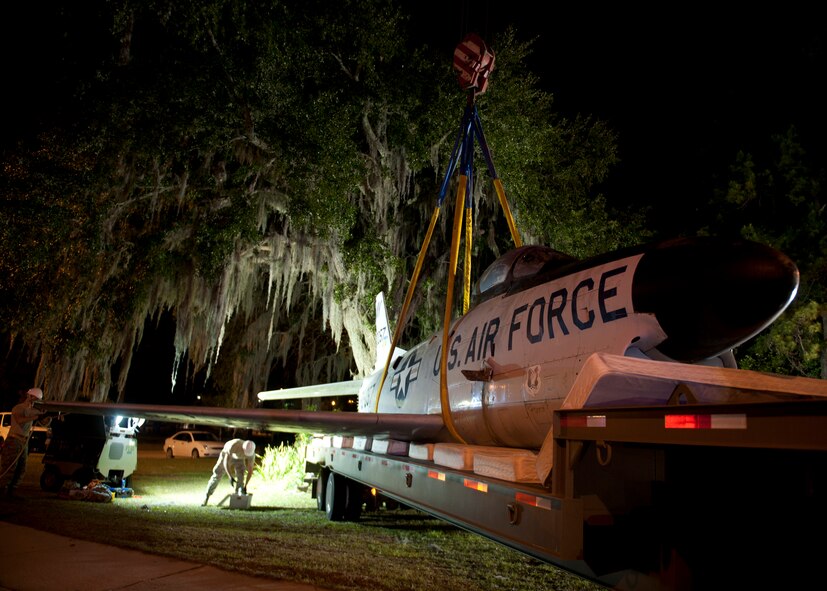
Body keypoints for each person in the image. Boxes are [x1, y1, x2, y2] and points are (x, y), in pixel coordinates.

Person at [0, 387, 50, 499]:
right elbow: (22, 418)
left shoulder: (31, 410)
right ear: (29, 396)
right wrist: (39, 415)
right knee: (10, 467)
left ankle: (12, 491)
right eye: (35, 398)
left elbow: (43, 422)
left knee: (21, 468)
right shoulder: (18, 408)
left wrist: (47, 416)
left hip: (23, 442)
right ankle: (2, 490)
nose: (35, 401)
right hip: (14, 440)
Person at [201, 438, 256, 506]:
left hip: (239, 459)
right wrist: (230, 477)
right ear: (243, 448)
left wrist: (245, 486)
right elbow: (225, 462)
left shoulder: (252, 454)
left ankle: (237, 498)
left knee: (241, 475)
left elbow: (250, 470)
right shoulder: (234, 445)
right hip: (227, 455)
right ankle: (207, 497)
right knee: (218, 473)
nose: (247, 455)